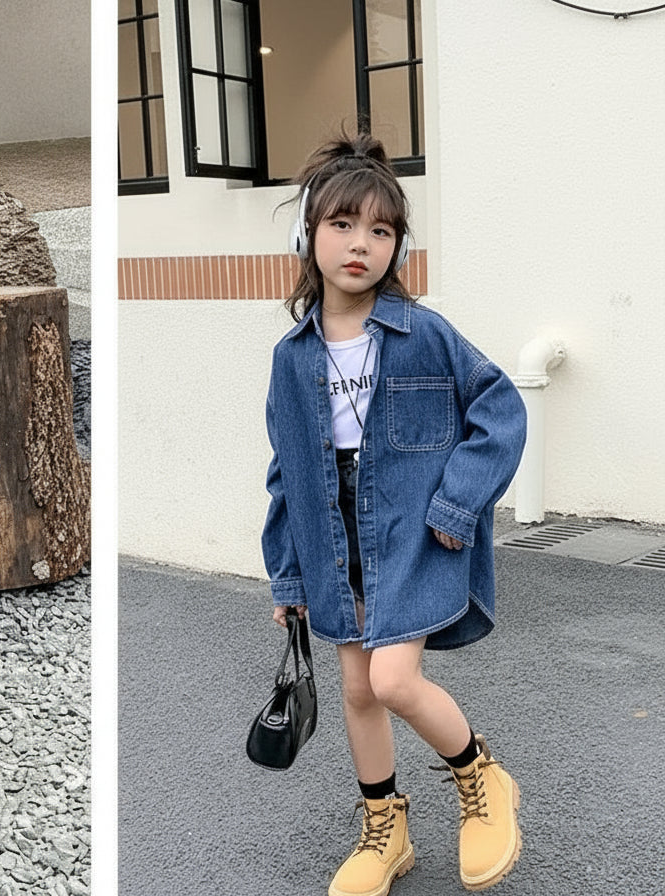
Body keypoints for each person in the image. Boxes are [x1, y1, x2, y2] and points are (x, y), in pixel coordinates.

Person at [261, 133, 526, 896]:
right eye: (343, 224)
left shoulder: (426, 334)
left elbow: (500, 411)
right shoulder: (292, 357)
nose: (361, 244)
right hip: (329, 536)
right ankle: (387, 829)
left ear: (397, 247)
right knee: (356, 690)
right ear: (307, 235)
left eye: (381, 231)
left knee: (394, 679)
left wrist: (459, 502)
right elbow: (285, 469)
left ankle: (482, 776)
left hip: (411, 528)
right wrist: (287, 572)